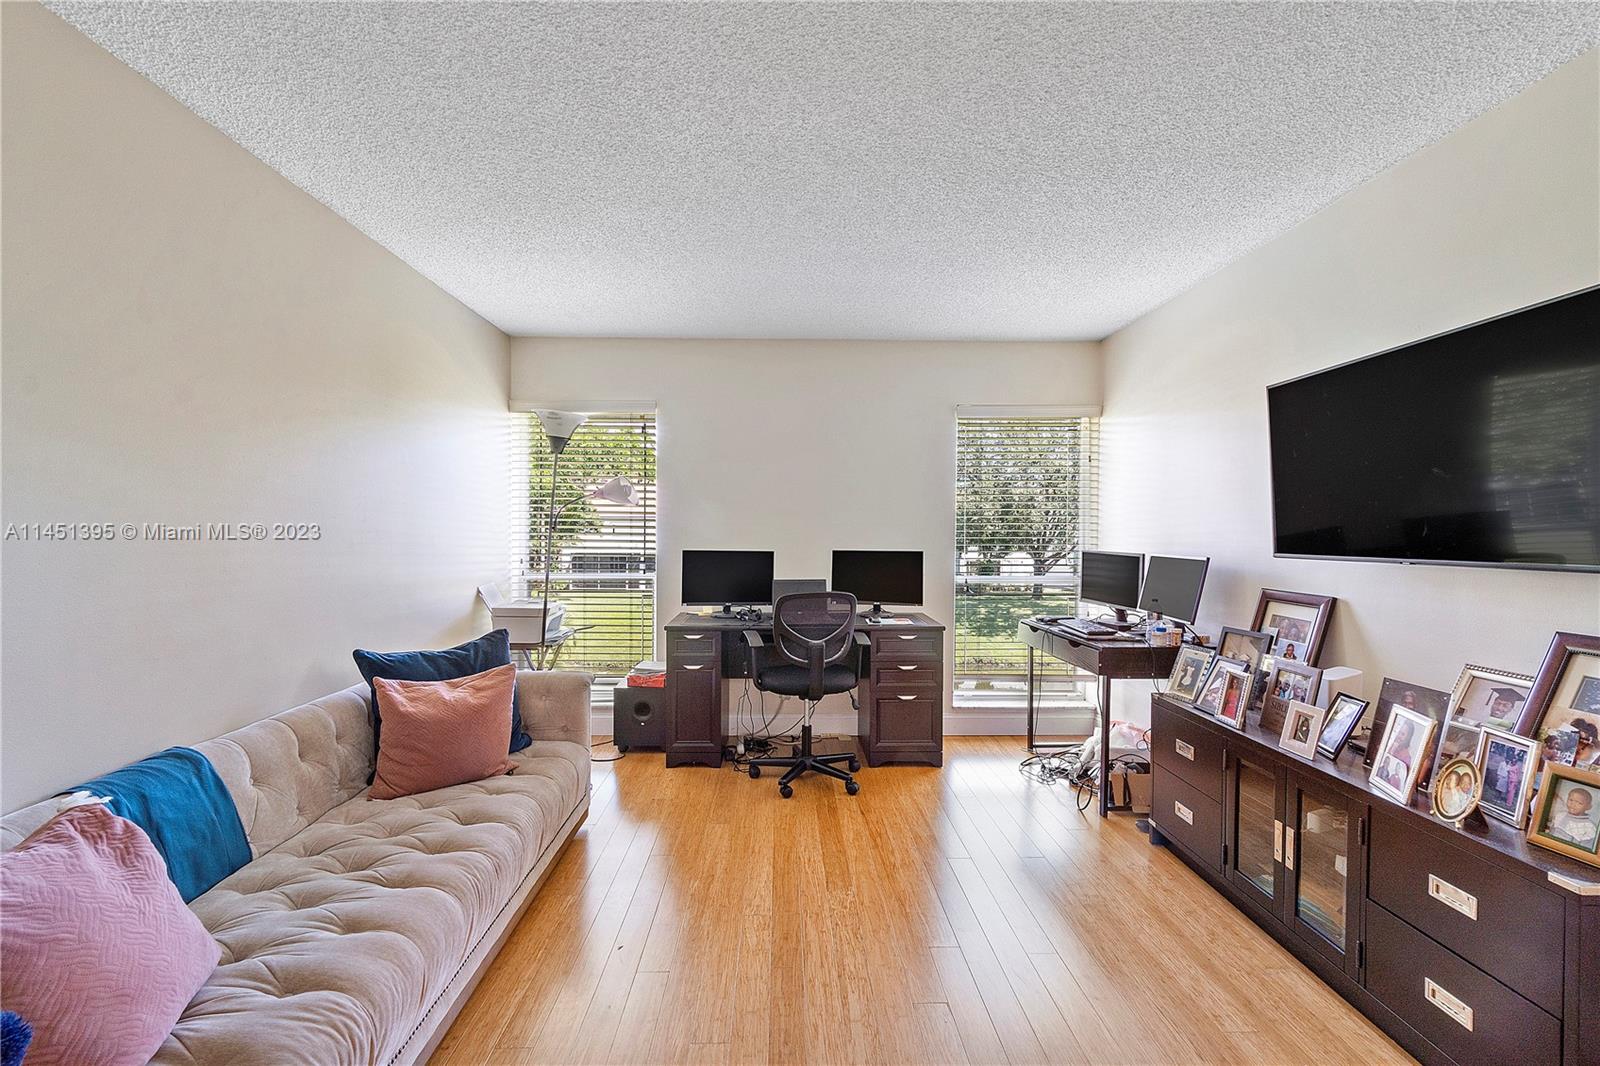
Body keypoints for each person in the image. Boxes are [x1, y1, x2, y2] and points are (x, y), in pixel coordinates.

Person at [1548, 785, 1598, 851]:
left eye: (1579, 803)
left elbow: (1586, 850)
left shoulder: (1589, 827)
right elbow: (1551, 833)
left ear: (1588, 807)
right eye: (1571, 800)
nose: (1573, 804)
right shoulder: (1560, 815)